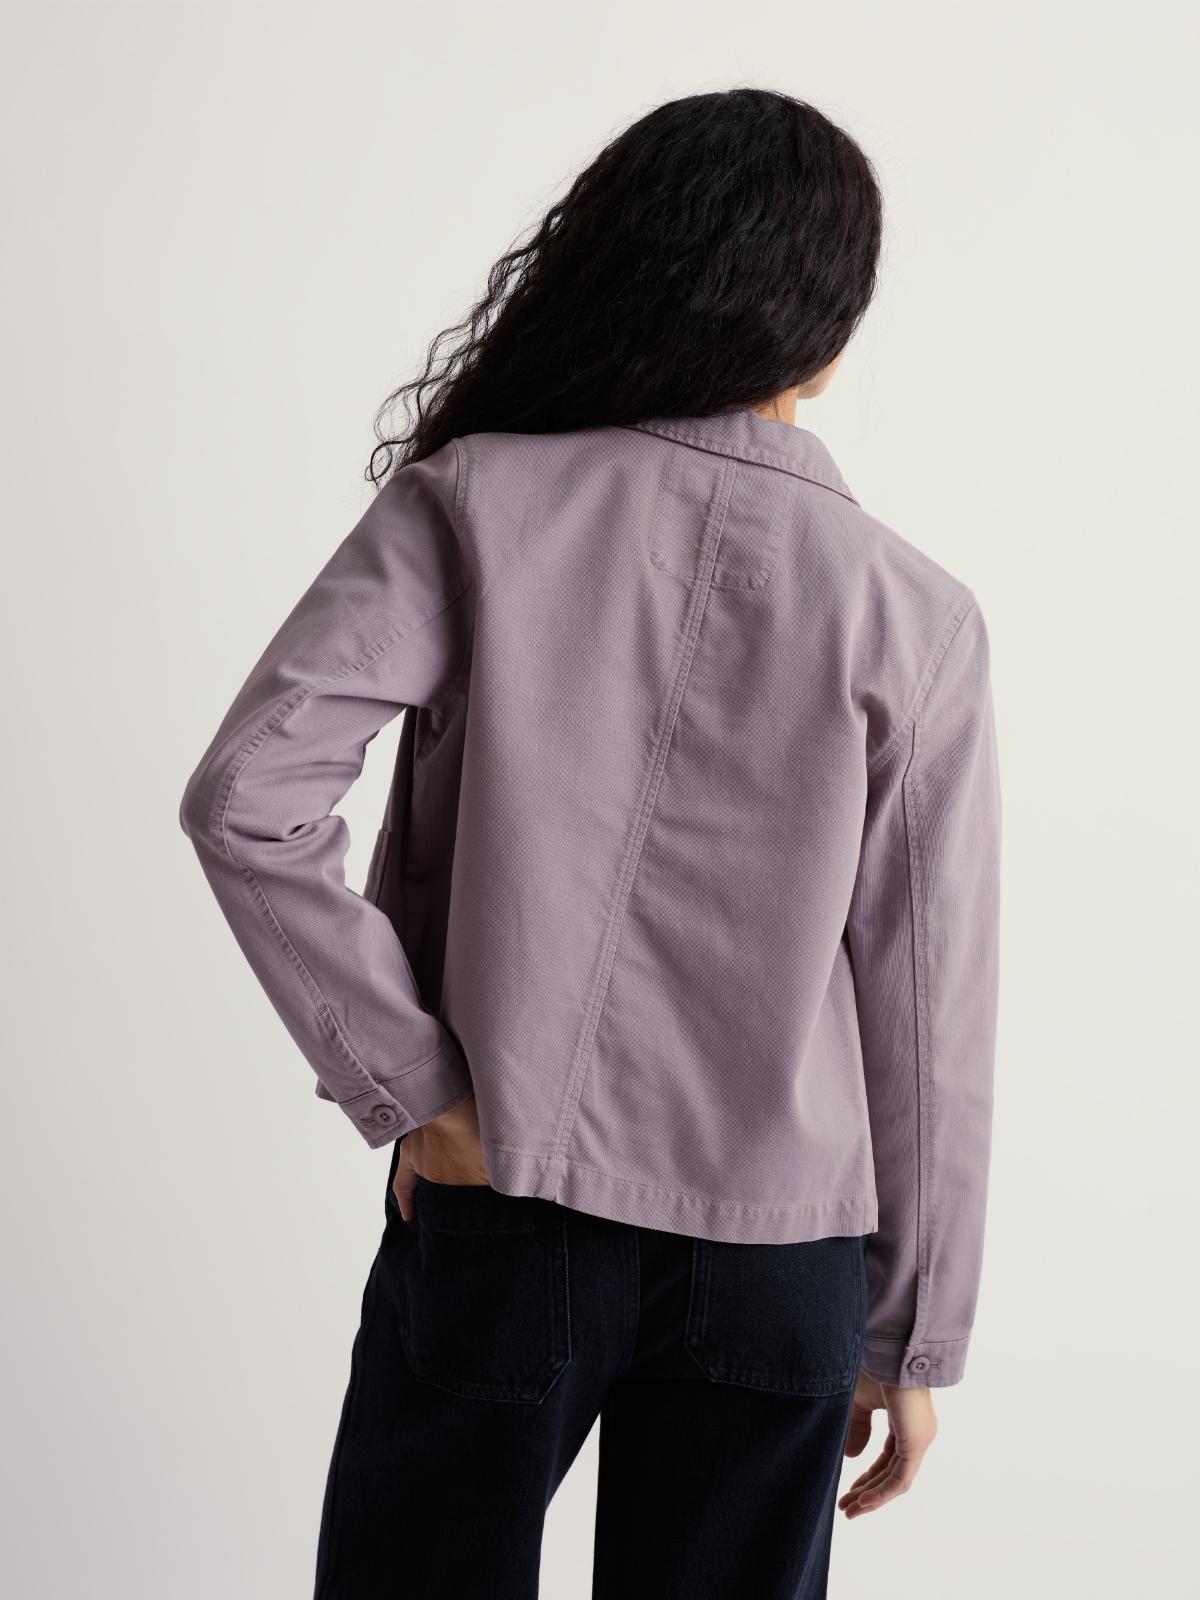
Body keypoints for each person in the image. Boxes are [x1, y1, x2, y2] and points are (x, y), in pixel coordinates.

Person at [178, 86, 1000, 1600]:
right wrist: (913, 1329)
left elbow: (248, 796)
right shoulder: (917, 615)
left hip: (510, 1203)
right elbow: (925, 1007)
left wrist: (419, 1090)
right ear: (829, 338)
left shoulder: (474, 504)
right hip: (782, 1256)